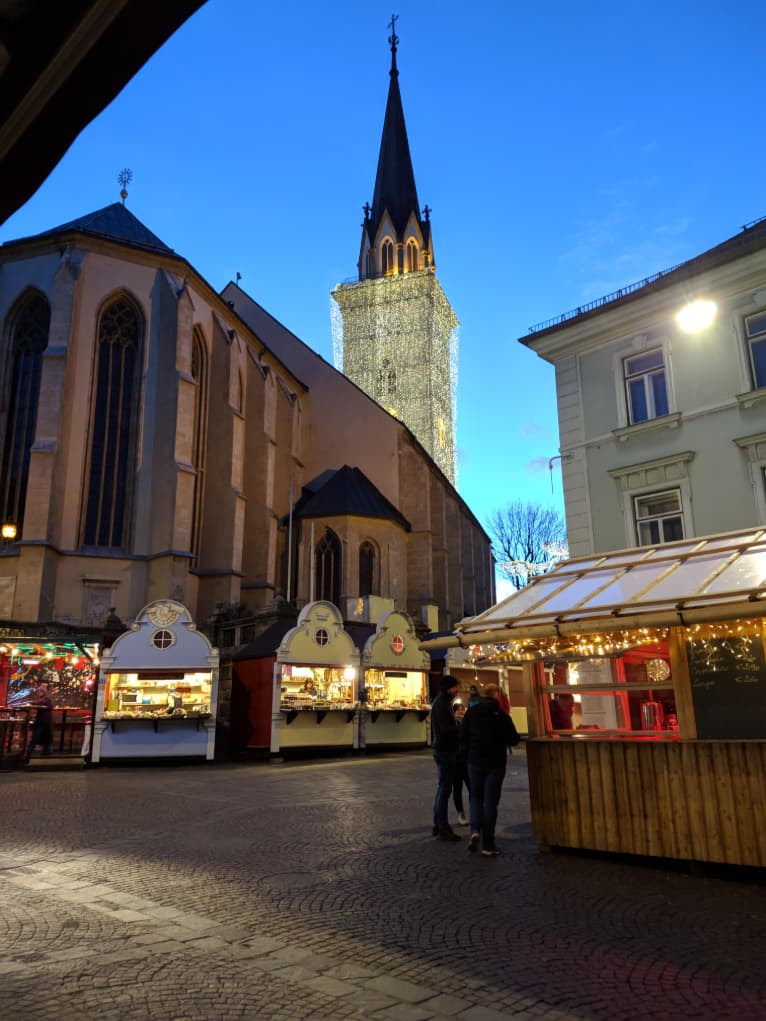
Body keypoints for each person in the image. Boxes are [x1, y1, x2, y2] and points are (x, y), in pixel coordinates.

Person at [460, 681, 520, 856]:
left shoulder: (471, 713)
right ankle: (488, 843)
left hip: (474, 760)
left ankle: (474, 830)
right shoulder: (501, 715)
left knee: (475, 797)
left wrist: (466, 755)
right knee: (491, 802)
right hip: (495, 763)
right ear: (496, 695)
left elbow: (463, 735)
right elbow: (513, 738)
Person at [430, 674, 461, 842]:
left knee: (442, 788)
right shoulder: (442, 704)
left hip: (442, 748)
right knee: (445, 789)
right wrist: (458, 725)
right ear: (448, 688)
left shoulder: (442, 702)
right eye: (455, 687)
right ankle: (442, 827)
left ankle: (438, 824)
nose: (457, 690)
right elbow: (444, 730)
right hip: (445, 750)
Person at [451, 700, 470, 826]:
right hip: (456, 761)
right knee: (457, 788)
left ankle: (474, 812)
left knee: (472, 788)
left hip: (467, 761)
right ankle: (460, 813)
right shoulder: (452, 725)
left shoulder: (468, 724)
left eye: (463, 710)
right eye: (458, 710)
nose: (461, 712)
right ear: (454, 712)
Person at [25, 682, 54, 760]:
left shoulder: (46, 699)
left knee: (37, 735)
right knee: (43, 736)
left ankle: (30, 751)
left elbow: (40, 703)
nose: (38, 693)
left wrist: (30, 703)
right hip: (43, 720)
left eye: (40, 691)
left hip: (44, 721)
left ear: (43, 692)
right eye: (38, 691)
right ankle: (43, 751)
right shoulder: (43, 698)